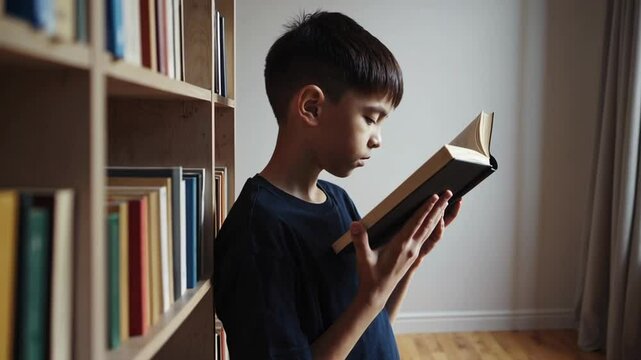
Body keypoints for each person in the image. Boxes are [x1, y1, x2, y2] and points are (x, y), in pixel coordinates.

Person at [213, 10, 461, 359]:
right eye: (371, 118)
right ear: (311, 107)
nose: (378, 139)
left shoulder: (338, 200)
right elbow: (366, 306)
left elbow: (369, 330)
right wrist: (374, 293)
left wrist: (406, 265)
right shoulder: (257, 232)